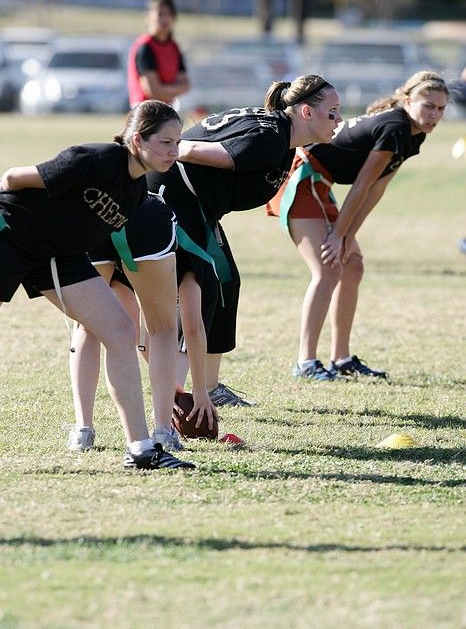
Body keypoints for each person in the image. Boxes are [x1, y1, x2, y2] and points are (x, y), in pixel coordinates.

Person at [0, 99, 195, 471]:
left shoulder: (137, 191)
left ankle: (141, 449)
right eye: (166, 142)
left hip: (57, 255)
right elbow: (11, 179)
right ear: (138, 139)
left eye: (178, 142)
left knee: (121, 329)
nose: (175, 151)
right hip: (11, 233)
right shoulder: (98, 158)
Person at [146, 74, 342, 405]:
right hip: (173, 195)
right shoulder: (271, 138)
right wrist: (147, 154)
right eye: (332, 112)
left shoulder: (281, 135)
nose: (338, 120)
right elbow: (191, 148)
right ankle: (175, 396)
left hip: (196, 205)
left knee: (226, 283)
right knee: (205, 285)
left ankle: (209, 388)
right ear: (306, 112)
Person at [266, 71, 449, 380]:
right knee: (328, 268)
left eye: (441, 109)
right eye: (428, 105)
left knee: (352, 266)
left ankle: (341, 358)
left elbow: (378, 187)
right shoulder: (395, 126)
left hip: (320, 184)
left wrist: (348, 235)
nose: (434, 114)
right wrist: (338, 235)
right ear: (407, 101)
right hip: (302, 177)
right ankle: (305, 363)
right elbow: (362, 185)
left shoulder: (414, 133)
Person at [68, 196, 219, 452]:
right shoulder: (196, 264)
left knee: (88, 326)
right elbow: (191, 329)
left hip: (94, 214)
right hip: (148, 222)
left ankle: (83, 431)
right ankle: (163, 432)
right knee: (163, 328)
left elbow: (131, 331)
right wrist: (201, 390)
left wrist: (170, 383)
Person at [127, 0, 190, 109]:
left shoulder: (174, 47)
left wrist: (163, 90)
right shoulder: (145, 47)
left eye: (169, 14)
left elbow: (185, 85)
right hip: (146, 111)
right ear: (148, 16)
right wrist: (173, 90)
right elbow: (152, 91)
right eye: (160, 14)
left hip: (168, 109)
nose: (165, 19)